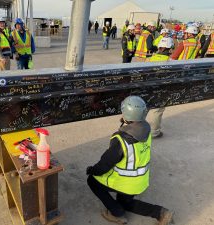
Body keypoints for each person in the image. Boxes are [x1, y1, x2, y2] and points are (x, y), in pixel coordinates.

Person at [86, 95, 174, 225]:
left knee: (92, 181)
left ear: (125, 114)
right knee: (125, 202)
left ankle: (117, 214)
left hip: (124, 183)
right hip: (140, 182)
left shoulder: (121, 140)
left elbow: (106, 163)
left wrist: (93, 170)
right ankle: (160, 213)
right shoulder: (146, 130)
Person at [147, 37, 174, 138]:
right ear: (169, 49)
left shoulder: (150, 58)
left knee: (144, 108)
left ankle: (136, 128)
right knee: (157, 110)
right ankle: (154, 132)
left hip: (148, 87)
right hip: (161, 89)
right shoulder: (170, 61)